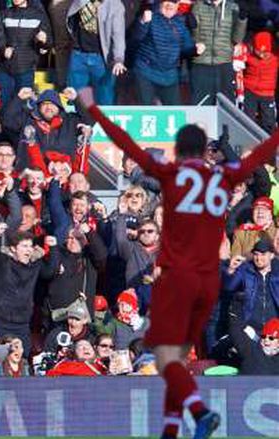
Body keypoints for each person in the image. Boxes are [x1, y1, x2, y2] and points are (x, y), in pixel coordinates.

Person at [79, 86, 279, 439]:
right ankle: (172, 428)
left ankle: (200, 414)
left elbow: (127, 145)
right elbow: (261, 154)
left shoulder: (171, 175)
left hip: (180, 278)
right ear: (204, 151)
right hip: (210, 281)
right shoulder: (224, 177)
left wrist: (94, 110)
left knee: (166, 358)